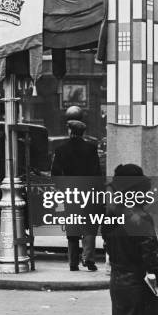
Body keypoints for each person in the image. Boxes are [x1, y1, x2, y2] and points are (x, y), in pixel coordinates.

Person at [102, 164, 158, 315]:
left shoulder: (111, 213)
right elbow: (150, 255)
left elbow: (108, 245)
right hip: (140, 286)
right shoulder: (140, 217)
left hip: (119, 282)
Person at [51, 106, 103, 271]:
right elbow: (97, 174)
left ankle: (73, 263)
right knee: (89, 228)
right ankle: (88, 259)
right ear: (82, 132)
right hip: (88, 194)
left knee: (73, 227)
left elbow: (55, 174)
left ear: (70, 131)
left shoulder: (61, 150)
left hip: (70, 194)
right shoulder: (91, 149)